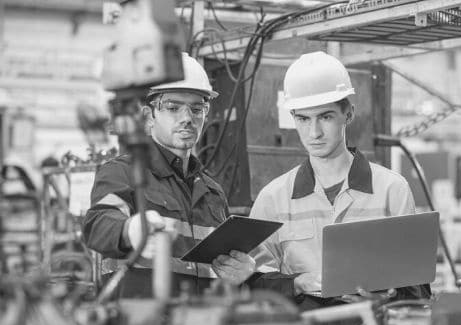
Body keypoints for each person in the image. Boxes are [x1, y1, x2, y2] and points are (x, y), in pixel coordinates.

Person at [83, 53, 295, 298]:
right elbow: (97, 224)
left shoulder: (212, 193)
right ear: (149, 116)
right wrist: (129, 230)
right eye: (173, 108)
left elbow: (219, 272)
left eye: (197, 109)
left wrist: (244, 273)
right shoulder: (122, 173)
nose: (187, 119)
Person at [250, 51, 431, 302]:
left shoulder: (391, 189)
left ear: (348, 114)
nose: (314, 132)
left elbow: (415, 288)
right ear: (293, 118)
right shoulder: (273, 198)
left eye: (325, 117)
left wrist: (382, 295)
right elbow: (254, 285)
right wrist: (299, 283)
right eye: (303, 119)